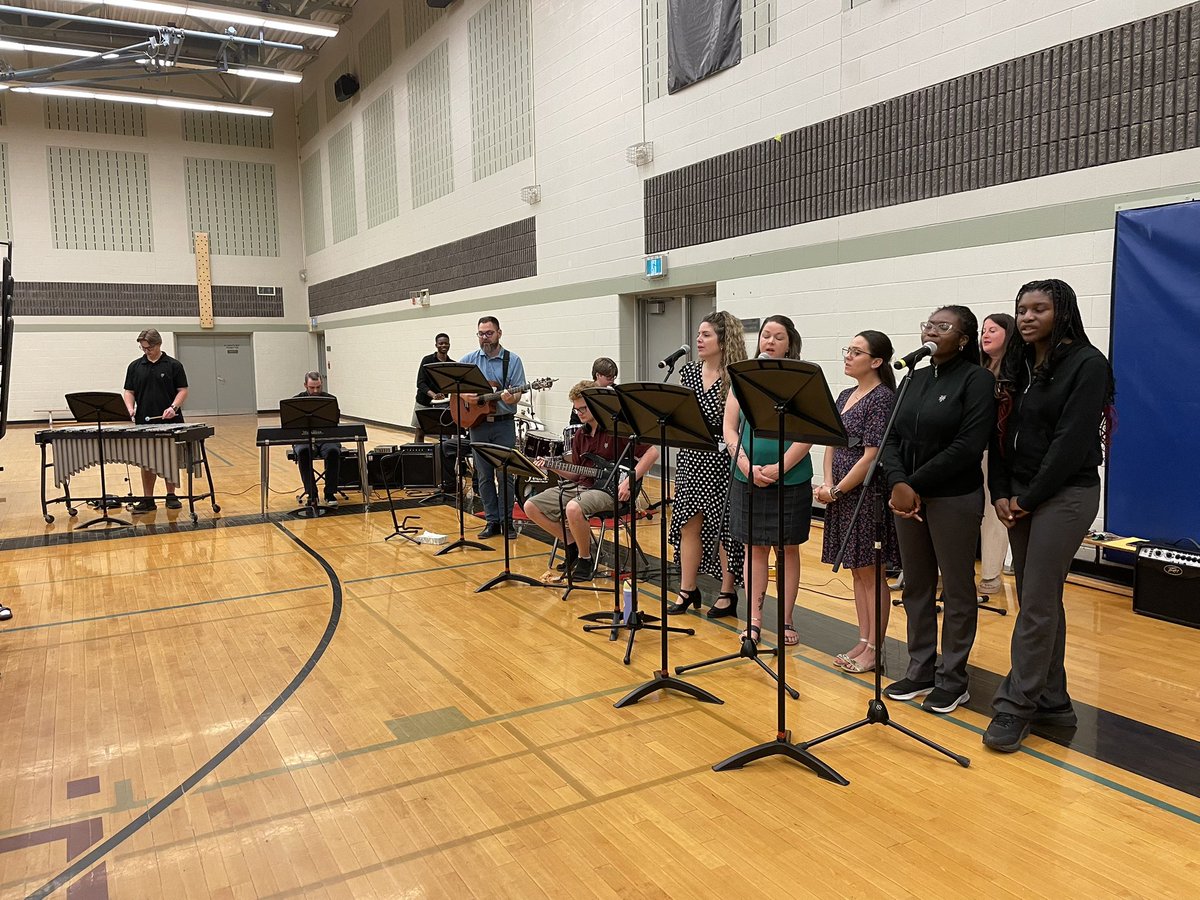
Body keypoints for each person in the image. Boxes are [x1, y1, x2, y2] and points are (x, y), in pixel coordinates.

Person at [983, 279, 1114, 753]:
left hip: (1066, 493)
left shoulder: (1087, 364)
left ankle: (1016, 705)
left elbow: (1072, 442)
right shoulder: (1016, 364)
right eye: (1022, 309)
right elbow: (999, 434)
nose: (1027, 317)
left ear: (1062, 311)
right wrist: (1001, 491)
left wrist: (1029, 498)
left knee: (1036, 599)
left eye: (1039, 309)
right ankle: (1055, 703)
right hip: (1019, 494)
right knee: (1038, 600)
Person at [878, 307, 995, 715]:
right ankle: (921, 668)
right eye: (928, 324)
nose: (931, 331)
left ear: (964, 339)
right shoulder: (916, 376)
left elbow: (968, 445)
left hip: (952, 498)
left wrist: (915, 485)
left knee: (958, 589)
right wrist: (897, 481)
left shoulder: (977, 380)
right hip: (906, 498)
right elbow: (890, 434)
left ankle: (953, 678)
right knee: (916, 586)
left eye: (943, 327)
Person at [721, 315, 809, 646]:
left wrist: (778, 468)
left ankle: (785, 620)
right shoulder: (742, 377)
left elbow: (807, 432)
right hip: (746, 475)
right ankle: (753, 620)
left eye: (778, 337)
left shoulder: (801, 379)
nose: (769, 342)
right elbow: (730, 427)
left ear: (790, 344)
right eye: (765, 335)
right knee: (754, 548)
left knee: (786, 550)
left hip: (791, 477)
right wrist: (744, 463)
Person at [816, 331, 899, 674]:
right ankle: (863, 639)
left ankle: (875, 648)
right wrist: (828, 484)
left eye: (856, 352)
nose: (848, 356)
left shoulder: (882, 398)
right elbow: (830, 443)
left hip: (866, 497)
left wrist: (839, 490)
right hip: (841, 496)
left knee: (872, 573)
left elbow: (870, 456)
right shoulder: (844, 394)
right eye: (847, 349)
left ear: (876, 361)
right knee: (857, 572)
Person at [523, 381, 659, 581]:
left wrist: (628, 482)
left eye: (583, 408)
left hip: (611, 490)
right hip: (584, 486)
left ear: (596, 404)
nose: (579, 413)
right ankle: (571, 543)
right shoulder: (580, 435)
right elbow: (577, 474)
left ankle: (585, 559)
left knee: (573, 508)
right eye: (576, 409)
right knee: (530, 506)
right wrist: (553, 466)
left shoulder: (618, 428)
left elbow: (653, 452)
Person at [667, 312, 745, 616]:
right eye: (699, 334)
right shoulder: (687, 373)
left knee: (723, 527)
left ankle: (728, 592)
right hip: (691, 456)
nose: (698, 340)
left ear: (724, 341)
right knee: (689, 524)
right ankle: (688, 588)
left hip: (723, 458)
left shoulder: (735, 377)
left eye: (706, 335)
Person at [460, 316, 525, 539]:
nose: (485, 337)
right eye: (481, 333)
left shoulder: (512, 360)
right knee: (484, 476)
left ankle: (507, 523)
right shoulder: (469, 360)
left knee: (505, 475)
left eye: (489, 333)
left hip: (503, 426)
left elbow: (516, 395)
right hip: (477, 426)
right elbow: (454, 386)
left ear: (499, 333)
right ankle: (491, 522)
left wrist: (510, 398)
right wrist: (463, 395)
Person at [123, 328, 188, 512]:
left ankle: (171, 495)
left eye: (148, 348)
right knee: (146, 461)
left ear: (158, 344)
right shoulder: (135, 367)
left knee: (169, 459)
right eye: (142, 348)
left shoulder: (174, 365)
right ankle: (148, 499)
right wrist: (130, 408)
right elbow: (129, 391)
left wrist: (173, 407)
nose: (146, 351)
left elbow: (183, 390)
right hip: (144, 422)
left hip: (171, 421)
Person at [978, 313, 1016, 595]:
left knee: (993, 514)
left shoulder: (1016, 371)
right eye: (983, 330)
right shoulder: (975, 368)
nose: (985, 335)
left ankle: (991, 575)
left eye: (993, 330)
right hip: (969, 450)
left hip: (997, 452)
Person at [292, 371, 342, 507]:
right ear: (305, 386)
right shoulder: (296, 401)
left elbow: (334, 422)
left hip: (326, 438)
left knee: (333, 451)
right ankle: (312, 494)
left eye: (318, 387)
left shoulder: (330, 400)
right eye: (312, 387)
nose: (315, 390)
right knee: (303, 452)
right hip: (304, 438)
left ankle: (330, 493)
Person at [413, 333, 451, 442]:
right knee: (420, 432)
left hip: (443, 404)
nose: (444, 345)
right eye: (441, 343)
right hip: (424, 402)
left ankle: (444, 457)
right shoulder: (427, 360)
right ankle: (418, 457)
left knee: (446, 433)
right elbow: (420, 383)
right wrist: (434, 395)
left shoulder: (451, 363)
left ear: (449, 345)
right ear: (436, 345)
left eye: (446, 343)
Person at [568, 358, 618, 426]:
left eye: (614, 377)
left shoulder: (613, 393)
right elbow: (574, 422)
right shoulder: (585, 391)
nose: (612, 380)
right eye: (609, 377)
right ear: (597, 375)